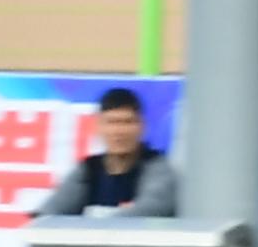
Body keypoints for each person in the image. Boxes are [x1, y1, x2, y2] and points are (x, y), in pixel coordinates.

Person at [36, 86, 180, 218]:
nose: (119, 131)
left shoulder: (157, 166)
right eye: (112, 122)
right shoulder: (89, 168)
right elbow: (48, 214)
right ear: (98, 127)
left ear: (142, 127)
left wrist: (94, 221)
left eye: (128, 122)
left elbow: (153, 209)